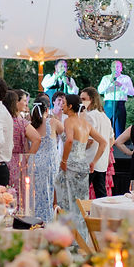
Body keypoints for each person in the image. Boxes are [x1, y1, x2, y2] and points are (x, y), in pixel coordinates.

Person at [56, 95, 106, 243]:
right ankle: (81, 240)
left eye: (64, 103)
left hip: (70, 165)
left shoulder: (68, 121)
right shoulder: (85, 124)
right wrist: (93, 162)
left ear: (70, 106)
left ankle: (67, 239)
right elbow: (103, 142)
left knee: (66, 201)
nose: (62, 106)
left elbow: (69, 140)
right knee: (80, 203)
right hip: (83, 166)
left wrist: (64, 160)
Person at [29, 96, 61, 223]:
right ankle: (48, 222)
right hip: (49, 162)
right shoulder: (52, 122)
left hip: (35, 161)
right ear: (48, 109)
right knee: (49, 194)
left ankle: (34, 221)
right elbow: (66, 135)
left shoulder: (30, 124)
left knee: (35, 195)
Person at [4, 90, 42, 195]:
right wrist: (27, 158)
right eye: (24, 101)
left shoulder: (1, 120)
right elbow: (37, 139)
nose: (26, 103)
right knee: (17, 194)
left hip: (1, 160)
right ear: (16, 102)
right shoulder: (20, 122)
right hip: (17, 161)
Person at [80, 87, 115, 199]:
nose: (81, 102)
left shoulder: (90, 116)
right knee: (101, 194)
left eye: (84, 98)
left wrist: (77, 148)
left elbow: (89, 140)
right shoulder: (105, 117)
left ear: (92, 99)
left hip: (89, 160)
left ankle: (80, 216)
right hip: (101, 161)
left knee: (81, 194)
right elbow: (111, 139)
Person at [97, 61, 134, 135]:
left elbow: (132, 93)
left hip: (120, 105)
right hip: (109, 105)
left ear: (121, 68)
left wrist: (121, 86)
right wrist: (110, 82)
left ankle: (118, 143)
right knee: (107, 129)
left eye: (117, 67)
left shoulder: (126, 78)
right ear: (111, 68)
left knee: (119, 129)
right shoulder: (106, 78)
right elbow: (100, 91)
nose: (115, 69)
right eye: (113, 66)